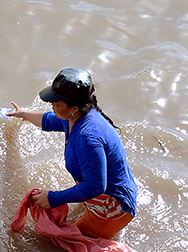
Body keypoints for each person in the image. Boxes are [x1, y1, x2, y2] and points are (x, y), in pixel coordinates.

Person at [8, 67, 139, 240]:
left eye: (57, 104)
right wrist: (23, 114)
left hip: (112, 209)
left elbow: (95, 186)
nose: (52, 106)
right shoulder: (78, 116)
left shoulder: (87, 138)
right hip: (104, 196)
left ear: (74, 108)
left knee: (58, 241)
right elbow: (47, 119)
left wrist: (54, 198)